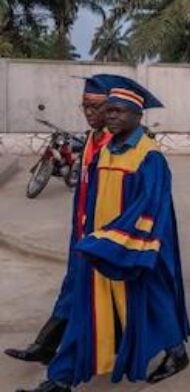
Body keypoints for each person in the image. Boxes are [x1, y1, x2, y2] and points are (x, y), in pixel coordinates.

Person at [16, 76, 190, 392]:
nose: (110, 116)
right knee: (87, 307)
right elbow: (91, 198)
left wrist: (116, 240)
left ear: (138, 116)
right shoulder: (104, 151)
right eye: (108, 110)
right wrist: (89, 235)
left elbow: (149, 208)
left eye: (118, 111)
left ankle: (176, 352)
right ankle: (60, 379)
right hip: (101, 245)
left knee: (152, 298)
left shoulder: (150, 157)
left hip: (136, 245)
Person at [5, 75, 113, 365]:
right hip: (82, 230)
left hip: (107, 236)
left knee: (129, 298)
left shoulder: (118, 146)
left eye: (95, 106)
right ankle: (45, 346)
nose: (89, 113)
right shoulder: (91, 139)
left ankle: (172, 346)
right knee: (73, 287)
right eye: (84, 107)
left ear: (112, 108)